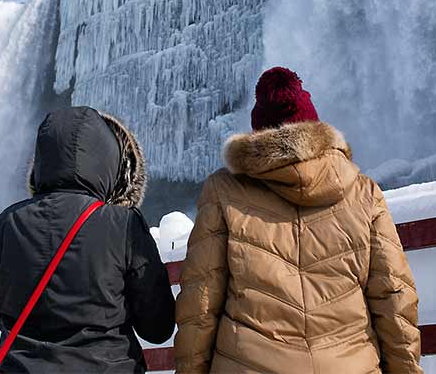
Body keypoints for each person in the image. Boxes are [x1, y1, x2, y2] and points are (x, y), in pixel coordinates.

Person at [175, 67, 422, 374]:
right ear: (314, 127)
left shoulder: (223, 191)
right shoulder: (363, 192)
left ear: (258, 131)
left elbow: (201, 303)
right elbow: (393, 296)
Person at [0, 106, 176, 373]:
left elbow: (4, 315)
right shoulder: (123, 224)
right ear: (108, 161)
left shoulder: (5, 224)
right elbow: (158, 327)